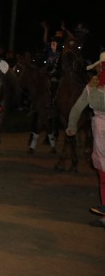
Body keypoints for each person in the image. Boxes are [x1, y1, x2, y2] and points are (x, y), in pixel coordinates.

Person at [66, 51, 105, 229]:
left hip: (100, 129)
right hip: (99, 130)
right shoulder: (91, 86)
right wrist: (72, 124)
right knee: (102, 173)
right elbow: (77, 107)